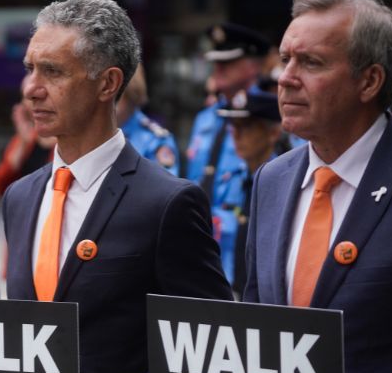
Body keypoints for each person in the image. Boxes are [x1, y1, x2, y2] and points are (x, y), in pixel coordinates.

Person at [0, 0, 232, 373]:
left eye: (52, 72)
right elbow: (22, 340)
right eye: (30, 69)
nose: (30, 89)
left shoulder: (168, 202)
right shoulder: (21, 196)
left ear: (107, 84)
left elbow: (216, 354)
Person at [243, 0, 392, 373]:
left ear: (369, 81)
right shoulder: (271, 181)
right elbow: (255, 331)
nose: (286, 78)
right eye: (285, 60)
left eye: (311, 62)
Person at [185, 22, 271, 282]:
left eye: (229, 62)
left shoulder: (271, 114)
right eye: (216, 62)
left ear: (253, 66)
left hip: (249, 250)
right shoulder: (204, 119)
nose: (218, 69)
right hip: (203, 250)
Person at [216, 89, 282, 295]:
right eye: (233, 126)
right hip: (228, 293)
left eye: (246, 126)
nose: (236, 134)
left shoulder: (285, 184)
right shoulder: (229, 180)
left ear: (273, 133)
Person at [0, 75, 56, 196]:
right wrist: (22, 144)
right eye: (28, 98)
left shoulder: (69, 140)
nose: (34, 103)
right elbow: (0, 185)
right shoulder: (23, 139)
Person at [115, 63, 179, 175]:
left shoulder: (155, 140)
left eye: (117, 96)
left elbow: (165, 189)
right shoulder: (94, 134)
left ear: (132, 94)